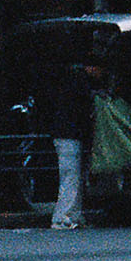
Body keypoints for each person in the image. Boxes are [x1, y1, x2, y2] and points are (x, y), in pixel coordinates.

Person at [37, 57, 97, 232]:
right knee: (71, 176)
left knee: (72, 176)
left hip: (64, 134)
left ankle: (72, 215)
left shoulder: (70, 81)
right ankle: (63, 217)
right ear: (92, 67)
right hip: (69, 135)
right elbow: (81, 110)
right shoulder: (80, 84)